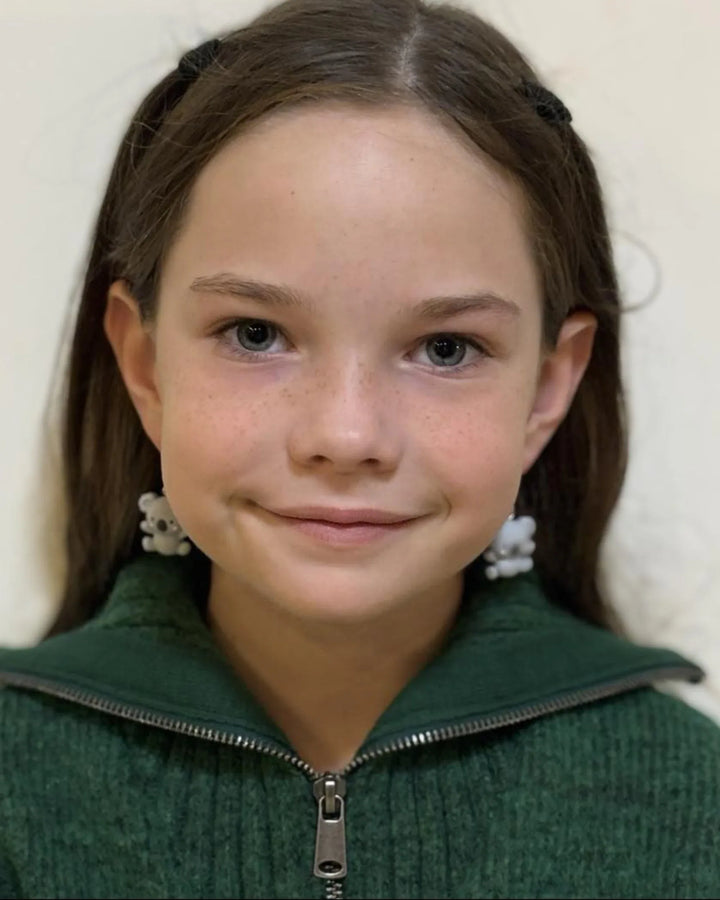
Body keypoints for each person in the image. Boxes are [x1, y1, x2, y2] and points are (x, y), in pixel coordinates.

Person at [1, 0, 718, 897]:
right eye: (255, 333)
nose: (346, 436)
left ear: (547, 386)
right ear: (144, 364)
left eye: (447, 348)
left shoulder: (699, 806)